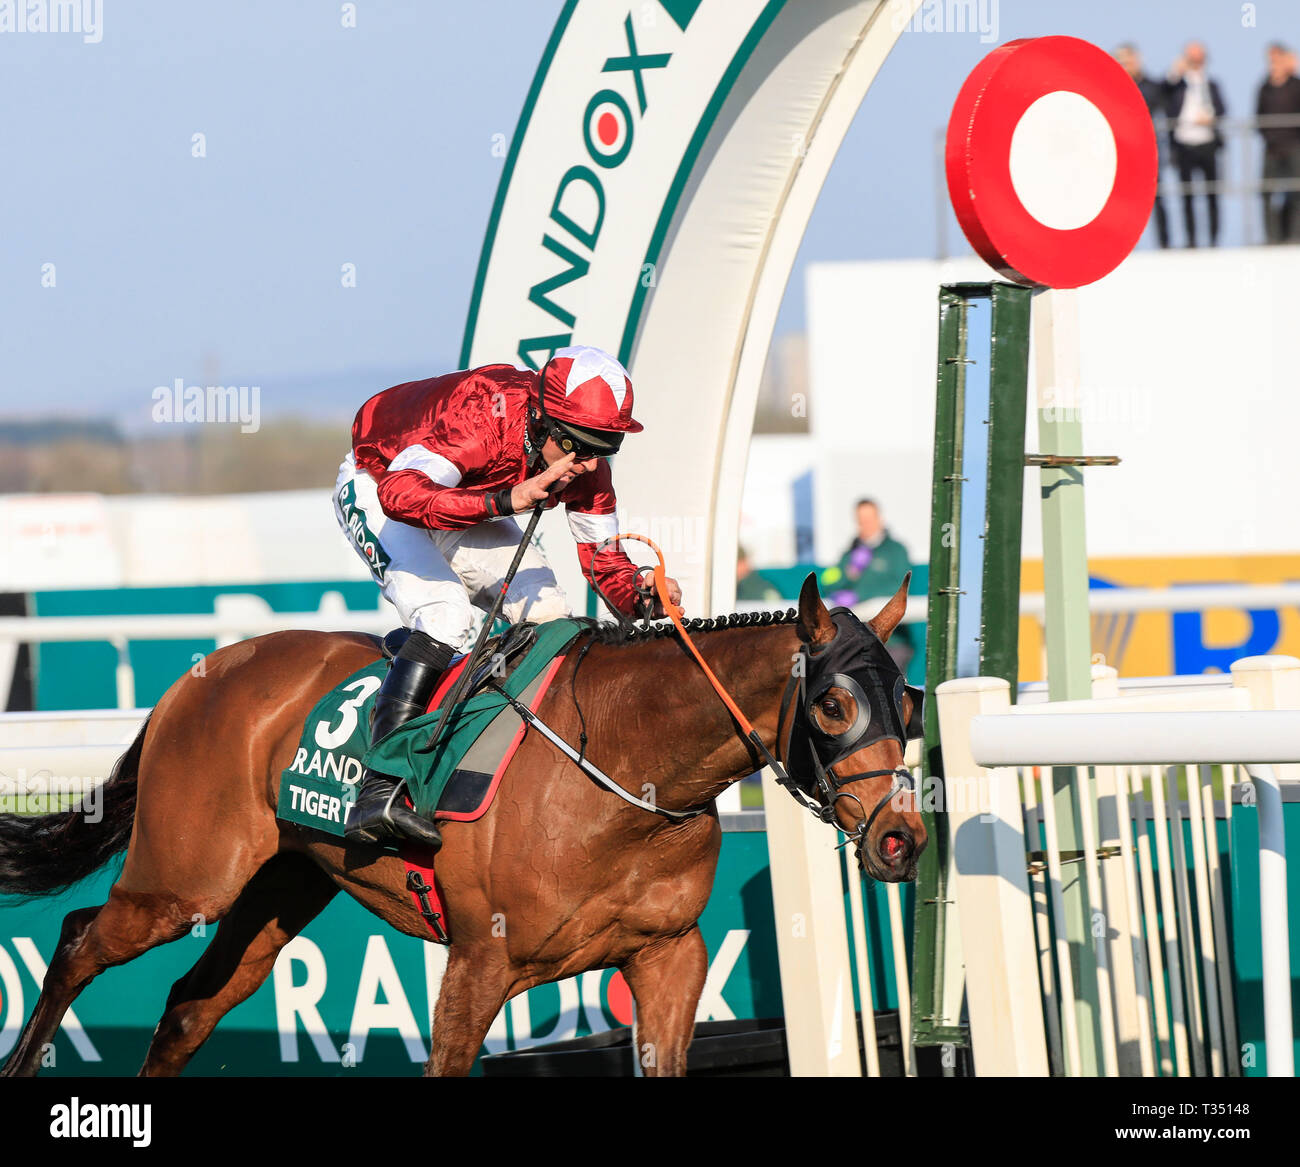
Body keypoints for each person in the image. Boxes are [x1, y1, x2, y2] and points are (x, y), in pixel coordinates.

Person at [334, 345, 682, 846]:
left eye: (603, 449)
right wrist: (505, 500)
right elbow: (401, 495)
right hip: (380, 484)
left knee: (551, 619)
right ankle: (379, 788)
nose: (587, 465)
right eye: (578, 447)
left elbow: (604, 563)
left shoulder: (585, 464)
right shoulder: (481, 419)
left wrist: (644, 594)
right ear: (541, 421)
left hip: (465, 500)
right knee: (446, 617)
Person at [820, 499, 914, 669]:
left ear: (880, 519)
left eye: (869, 519)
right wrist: (849, 573)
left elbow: (899, 587)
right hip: (856, 640)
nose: (865, 525)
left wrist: (860, 596)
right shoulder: (849, 553)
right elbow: (829, 583)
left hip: (892, 640)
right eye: (861, 521)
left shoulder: (896, 550)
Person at [1166, 41, 1227, 247]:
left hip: (1208, 143)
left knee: (1212, 194)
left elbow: (1222, 109)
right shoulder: (1178, 84)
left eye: (1198, 57)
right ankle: (1191, 240)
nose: (1195, 62)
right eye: (1191, 57)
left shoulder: (1212, 84)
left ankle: (1213, 240)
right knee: (1187, 196)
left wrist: (1210, 117)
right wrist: (1175, 73)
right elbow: (1162, 94)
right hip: (1184, 144)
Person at [1116, 43, 1171, 247]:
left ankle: (1165, 243)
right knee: (1123, 202)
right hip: (1122, 152)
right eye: (1122, 61)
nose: (1127, 65)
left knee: (1157, 198)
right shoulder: (1113, 85)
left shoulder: (1150, 85)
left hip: (1147, 152)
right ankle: (1122, 245)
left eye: (1129, 60)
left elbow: (1156, 101)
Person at [1256, 43, 1300, 243]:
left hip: (1294, 147)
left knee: (1296, 191)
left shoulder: (1296, 85)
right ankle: (1272, 237)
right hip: (1271, 148)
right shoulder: (1264, 87)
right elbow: (1258, 116)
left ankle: (1294, 235)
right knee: (1267, 193)